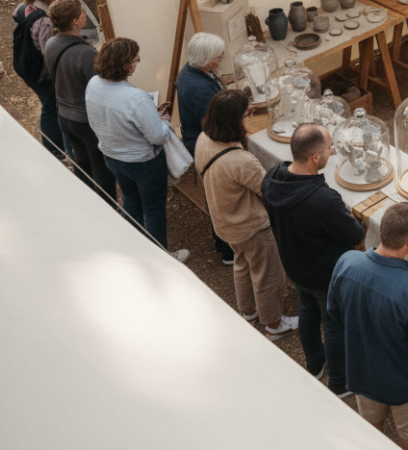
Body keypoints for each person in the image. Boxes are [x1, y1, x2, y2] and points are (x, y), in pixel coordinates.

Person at [328, 202, 408, 450]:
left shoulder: (347, 262)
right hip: (407, 386)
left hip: (362, 373)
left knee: (371, 433)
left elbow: (334, 314)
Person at [262, 122, 365, 384]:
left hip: (295, 266)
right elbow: (354, 235)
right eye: (330, 148)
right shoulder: (322, 199)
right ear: (315, 157)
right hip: (325, 274)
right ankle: (340, 382)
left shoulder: (272, 177)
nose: (332, 152)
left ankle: (314, 364)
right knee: (333, 324)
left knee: (307, 313)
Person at [196, 90, 298, 339]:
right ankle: (273, 324)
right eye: (247, 113)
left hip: (225, 223)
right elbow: (269, 193)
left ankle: (248, 311)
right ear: (233, 120)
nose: (251, 116)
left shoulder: (203, 139)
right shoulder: (240, 161)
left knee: (241, 264)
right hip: (252, 227)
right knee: (269, 275)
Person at [85, 37, 190, 263]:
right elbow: (159, 136)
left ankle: (136, 250)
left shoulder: (93, 83)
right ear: (125, 65)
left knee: (131, 201)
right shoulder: (135, 97)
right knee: (153, 210)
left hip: (111, 155)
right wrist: (162, 121)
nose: (137, 63)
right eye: (135, 60)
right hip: (143, 162)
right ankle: (162, 259)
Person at [44, 0, 117, 203]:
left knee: (81, 163)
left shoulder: (51, 43)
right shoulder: (85, 53)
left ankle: (87, 203)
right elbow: (100, 88)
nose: (85, 14)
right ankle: (108, 208)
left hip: (64, 117)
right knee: (101, 166)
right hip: (86, 120)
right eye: (82, 12)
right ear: (75, 21)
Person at [176, 32, 234, 265]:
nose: (220, 60)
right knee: (219, 196)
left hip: (200, 139)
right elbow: (217, 122)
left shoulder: (191, 71)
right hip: (207, 145)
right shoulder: (198, 88)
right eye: (218, 57)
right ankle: (227, 249)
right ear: (206, 59)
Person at [14, 0, 69, 159]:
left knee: (49, 105)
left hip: (29, 69)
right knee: (50, 107)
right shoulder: (44, 21)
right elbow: (49, 52)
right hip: (41, 74)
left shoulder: (29, 7)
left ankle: (54, 146)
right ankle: (53, 150)